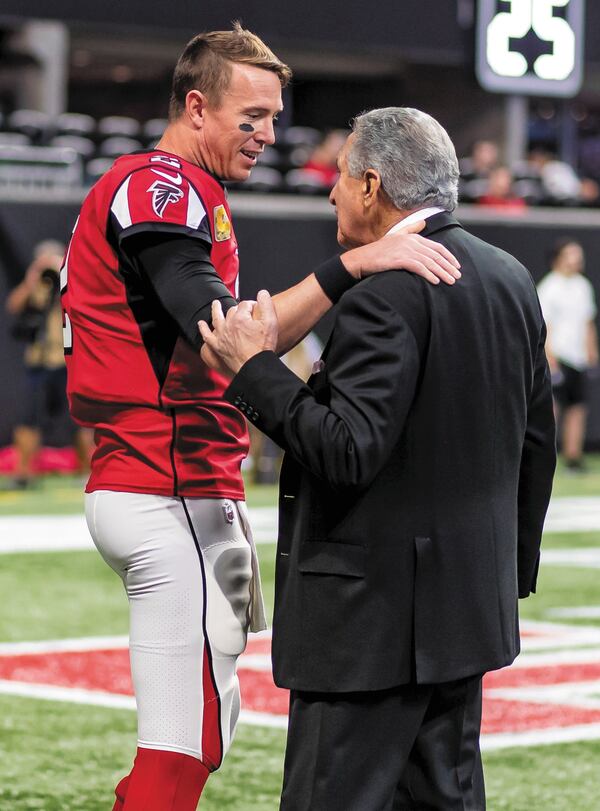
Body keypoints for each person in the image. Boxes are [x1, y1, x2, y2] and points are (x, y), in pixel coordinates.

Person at [60, 26, 461, 811]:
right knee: (182, 749)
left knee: (209, 725)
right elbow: (217, 328)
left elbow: (236, 334)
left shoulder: (193, 190)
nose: (269, 134)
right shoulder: (160, 182)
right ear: (198, 105)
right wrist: (352, 266)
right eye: (252, 116)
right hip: (162, 482)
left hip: (184, 484)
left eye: (276, 116)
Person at [200, 106, 557, 810]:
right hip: (466, 616)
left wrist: (253, 370)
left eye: (339, 177)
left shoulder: (386, 294)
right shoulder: (511, 277)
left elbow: (346, 448)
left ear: (371, 186)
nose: (331, 192)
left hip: (371, 629)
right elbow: (536, 444)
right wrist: (503, 572)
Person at [5, 240, 92, 488]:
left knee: (80, 418)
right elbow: (13, 305)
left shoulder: (70, 281)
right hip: (38, 360)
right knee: (28, 417)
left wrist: (63, 272)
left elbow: (81, 304)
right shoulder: (37, 285)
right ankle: (23, 474)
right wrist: (34, 276)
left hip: (66, 361)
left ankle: (88, 471)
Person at [537, 239, 598, 471]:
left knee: (578, 407)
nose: (576, 259)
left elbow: (587, 321)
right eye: (571, 254)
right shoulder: (549, 287)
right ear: (558, 258)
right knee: (552, 409)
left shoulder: (583, 286)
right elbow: (545, 325)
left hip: (578, 357)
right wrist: (550, 358)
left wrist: (592, 352)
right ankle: (545, 457)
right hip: (558, 357)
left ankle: (574, 456)